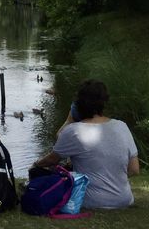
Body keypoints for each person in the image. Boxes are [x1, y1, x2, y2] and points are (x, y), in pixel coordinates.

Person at [31, 80, 140, 209]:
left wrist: (36, 164)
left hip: (90, 201)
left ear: (78, 104)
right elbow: (134, 170)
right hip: (124, 200)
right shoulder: (122, 126)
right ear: (104, 103)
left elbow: (53, 158)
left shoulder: (74, 131)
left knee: (41, 171)